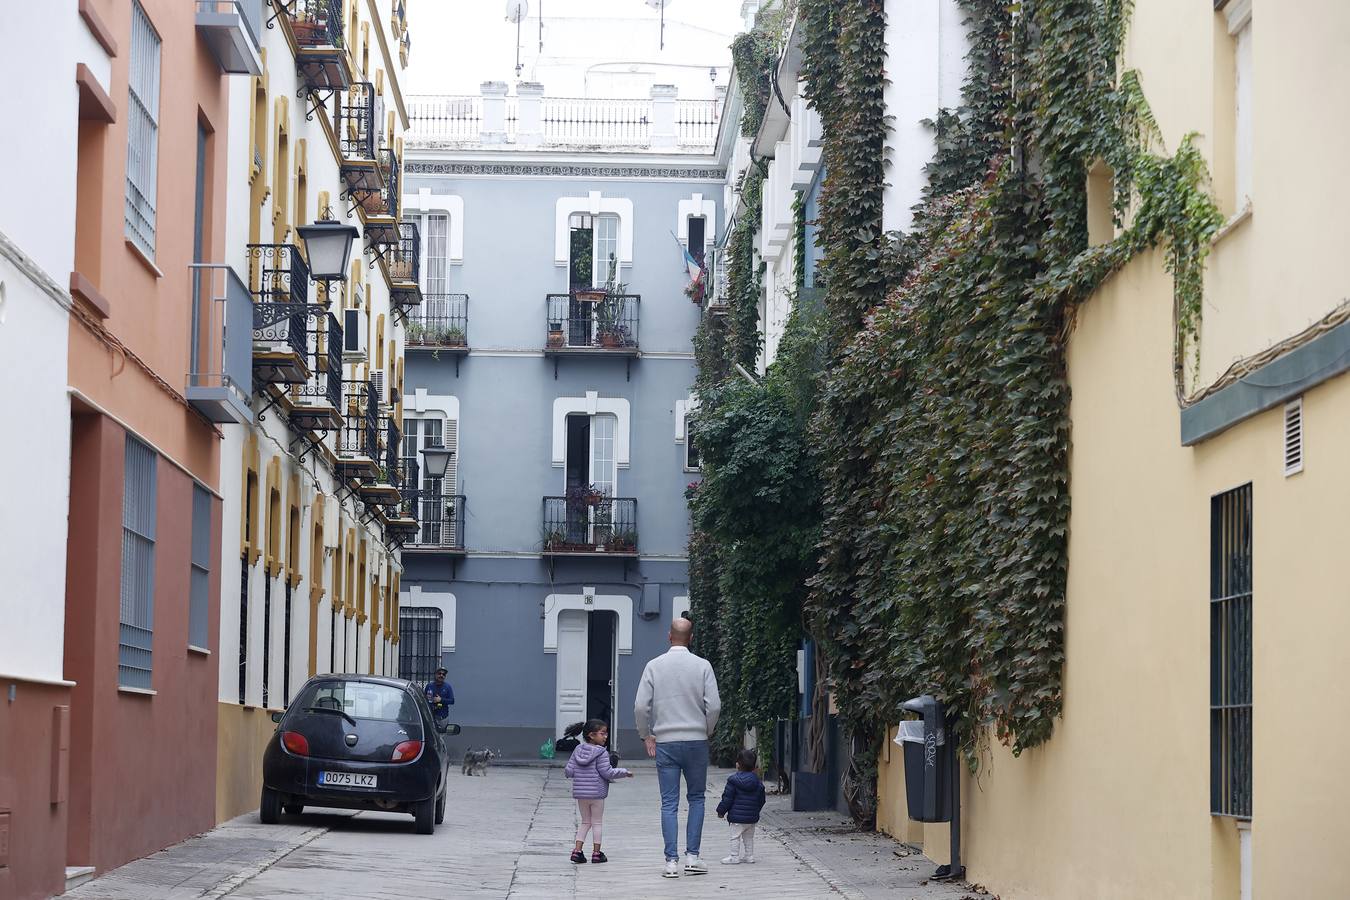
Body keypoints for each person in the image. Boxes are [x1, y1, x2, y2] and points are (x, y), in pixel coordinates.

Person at [634, 618, 721, 878]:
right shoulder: (703, 666)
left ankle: (671, 862)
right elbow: (714, 706)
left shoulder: (654, 666)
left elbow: (640, 707)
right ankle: (692, 857)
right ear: (691, 638)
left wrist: (646, 735)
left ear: (669, 636)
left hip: (666, 742)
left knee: (669, 803)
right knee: (696, 798)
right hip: (696, 741)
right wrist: (706, 730)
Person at [563, 718, 633, 864]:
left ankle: (577, 851)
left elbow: (569, 771)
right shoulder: (601, 753)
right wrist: (624, 772)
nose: (605, 736)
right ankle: (596, 854)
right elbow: (607, 773)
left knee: (585, 822)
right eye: (602, 733)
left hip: (581, 794)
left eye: (605, 733)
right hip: (597, 794)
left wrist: (579, 773)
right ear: (591, 735)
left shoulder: (577, 750)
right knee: (597, 823)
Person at [716, 748, 767, 864]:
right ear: (754, 766)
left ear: (737, 764)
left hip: (737, 818)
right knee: (748, 838)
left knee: (735, 837)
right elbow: (762, 799)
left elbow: (727, 799)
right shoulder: (758, 782)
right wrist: (755, 810)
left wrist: (721, 811)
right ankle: (749, 856)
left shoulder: (733, 781)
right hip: (751, 817)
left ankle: (734, 857)